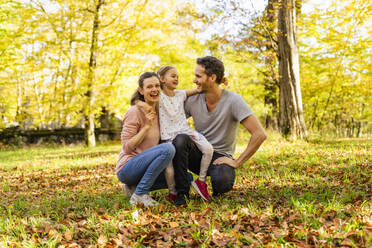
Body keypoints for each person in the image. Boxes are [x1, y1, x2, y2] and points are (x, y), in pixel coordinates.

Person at [172, 56, 267, 206]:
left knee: (222, 181)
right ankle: (182, 193)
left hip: (219, 158)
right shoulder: (192, 100)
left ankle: (215, 187)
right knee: (180, 140)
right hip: (198, 153)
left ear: (212, 78)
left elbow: (260, 134)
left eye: (198, 76)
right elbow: (170, 120)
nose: (194, 80)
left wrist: (236, 162)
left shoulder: (233, 100)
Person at [116, 72, 175, 207]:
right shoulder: (134, 112)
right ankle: (140, 194)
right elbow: (127, 147)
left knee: (185, 177)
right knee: (168, 149)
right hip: (128, 167)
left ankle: (133, 187)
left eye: (157, 86)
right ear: (141, 91)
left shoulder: (161, 112)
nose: (154, 89)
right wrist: (146, 127)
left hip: (146, 165)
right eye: (149, 87)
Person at [156, 65, 214, 201]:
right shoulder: (159, 97)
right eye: (173, 76)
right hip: (168, 137)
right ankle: (173, 192)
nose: (176, 78)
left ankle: (201, 180)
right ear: (162, 79)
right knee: (169, 170)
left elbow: (197, 90)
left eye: (177, 76)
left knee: (208, 149)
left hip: (185, 132)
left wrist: (211, 82)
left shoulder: (180, 94)